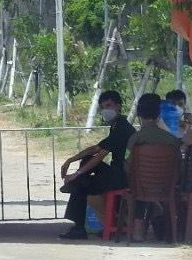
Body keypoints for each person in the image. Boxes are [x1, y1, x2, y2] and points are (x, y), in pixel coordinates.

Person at [58, 90, 135, 240]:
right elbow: (95, 148)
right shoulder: (116, 127)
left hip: (121, 176)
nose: (105, 110)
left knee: (81, 184)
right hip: (116, 172)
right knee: (85, 164)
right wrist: (70, 160)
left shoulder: (122, 128)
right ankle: (76, 185)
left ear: (118, 106)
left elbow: (100, 156)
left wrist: (76, 174)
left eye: (109, 105)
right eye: (103, 107)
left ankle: (79, 227)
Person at [126, 92, 183, 238]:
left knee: (136, 183)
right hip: (166, 186)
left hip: (141, 188)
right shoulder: (173, 140)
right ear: (159, 114)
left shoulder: (134, 139)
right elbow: (179, 166)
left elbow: (128, 166)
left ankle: (138, 232)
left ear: (139, 115)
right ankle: (170, 228)